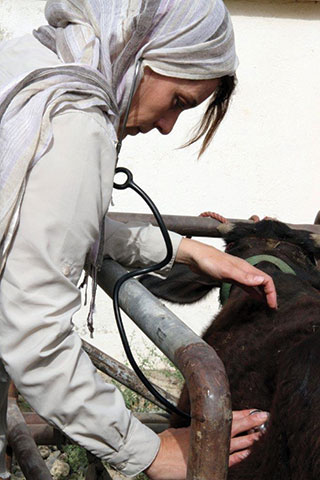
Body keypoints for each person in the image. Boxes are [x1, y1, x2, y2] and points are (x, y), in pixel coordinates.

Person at [0, 1, 275, 479]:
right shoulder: (75, 118)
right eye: (179, 101)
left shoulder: (31, 62)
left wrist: (182, 249)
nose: (168, 125)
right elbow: (34, 331)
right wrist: (144, 449)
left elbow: (35, 215)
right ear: (145, 50)